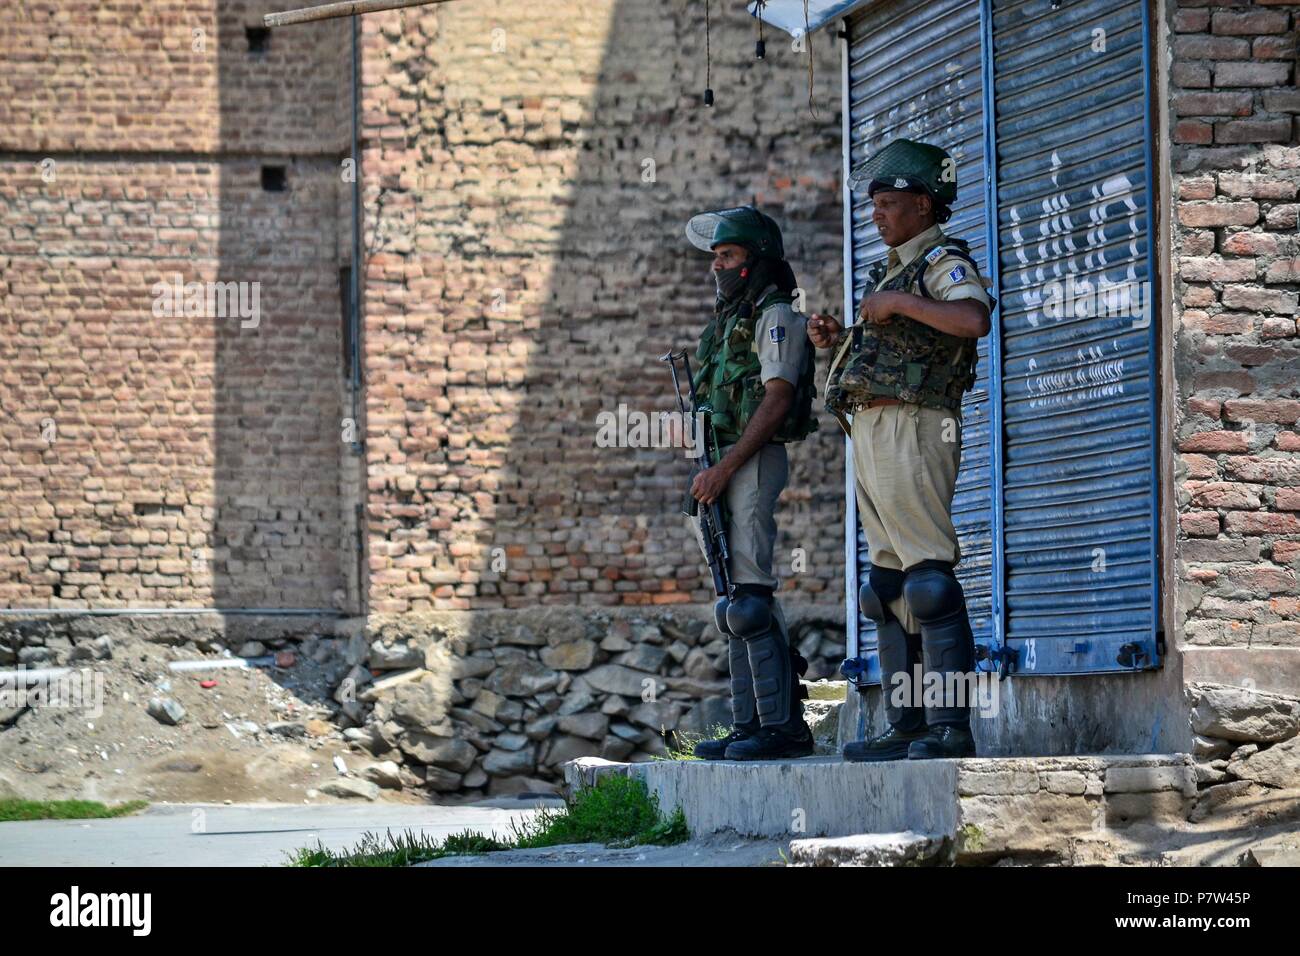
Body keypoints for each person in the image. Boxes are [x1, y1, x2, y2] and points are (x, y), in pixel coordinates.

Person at [807, 139, 994, 760]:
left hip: (918, 426)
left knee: (930, 582)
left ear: (922, 204)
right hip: (871, 426)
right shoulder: (890, 267)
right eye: (876, 205)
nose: (878, 216)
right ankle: (906, 724)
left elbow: (972, 319)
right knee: (885, 585)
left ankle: (951, 728)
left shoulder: (940, 257)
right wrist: (838, 341)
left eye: (889, 204)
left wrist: (899, 303)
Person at [681, 205, 819, 761]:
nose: (718, 266)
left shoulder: (776, 315)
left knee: (750, 600)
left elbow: (778, 396)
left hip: (750, 462)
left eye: (729, 255)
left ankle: (782, 730)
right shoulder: (727, 321)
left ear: (756, 260)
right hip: (722, 465)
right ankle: (748, 726)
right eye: (715, 256)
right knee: (734, 598)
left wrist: (725, 467)